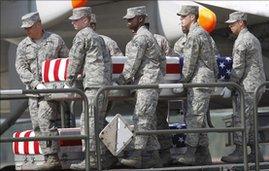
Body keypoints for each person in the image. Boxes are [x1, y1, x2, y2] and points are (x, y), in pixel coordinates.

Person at [15, 11, 69, 170]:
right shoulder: (23, 45)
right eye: (25, 28)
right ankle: (48, 157)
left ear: (39, 24)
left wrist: (64, 84)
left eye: (30, 27)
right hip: (34, 93)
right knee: (37, 125)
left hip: (51, 93)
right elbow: (21, 68)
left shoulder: (54, 40)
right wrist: (35, 84)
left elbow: (66, 62)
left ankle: (53, 157)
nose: (27, 31)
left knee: (45, 119)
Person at [116, 6, 166, 168]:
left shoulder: (141, 38)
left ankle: (137, 155)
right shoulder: (146, 36)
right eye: (127, 19)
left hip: (146, 84)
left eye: (131, 19)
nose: (128, 22)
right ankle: (154, 157)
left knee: (141, 118)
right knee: (149, 121)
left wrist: (120, 83)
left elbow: (132, 65)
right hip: (148, 83)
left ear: (141, 19)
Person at [65, 7, 114, 170]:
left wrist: (69, 80)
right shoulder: (97, 37)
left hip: (93, 85)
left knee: (89, 122)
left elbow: (75, 59)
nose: (73, 23)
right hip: (102, 84)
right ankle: (103, 157)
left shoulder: (83, 35)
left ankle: (92, 159)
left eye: (76, 20)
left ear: (85, 20)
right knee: (97, 121)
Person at [173, 5, 218, 165]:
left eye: (183, 17)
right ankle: (204, 156)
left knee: (194, 118)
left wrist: (182, 81)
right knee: (200, 119)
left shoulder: (194, 35)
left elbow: (190, 62)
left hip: (198, 81)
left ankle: (190, 154)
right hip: (205, 81)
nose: (181, 20)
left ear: (192, 17)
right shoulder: (205, 34)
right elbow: (214, 60)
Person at [221, 11, 266, 163]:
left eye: (233, 24)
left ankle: (240, 152)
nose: (230, 27)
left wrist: (230, 86)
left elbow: (238, 68)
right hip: (256, 84)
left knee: (241, 118)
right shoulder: (251, 38)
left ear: (241, 23)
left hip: (248, 86)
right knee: (250, 119)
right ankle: (255, 152)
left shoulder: (242, 40)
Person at [144, 22, 173, 165]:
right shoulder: (160, 40)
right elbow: (169, 61)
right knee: (159, 119)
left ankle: (158, 154)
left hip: (148, 87)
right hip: (162, 86)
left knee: (152, 120)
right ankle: (163, 153)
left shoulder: (138, 40)